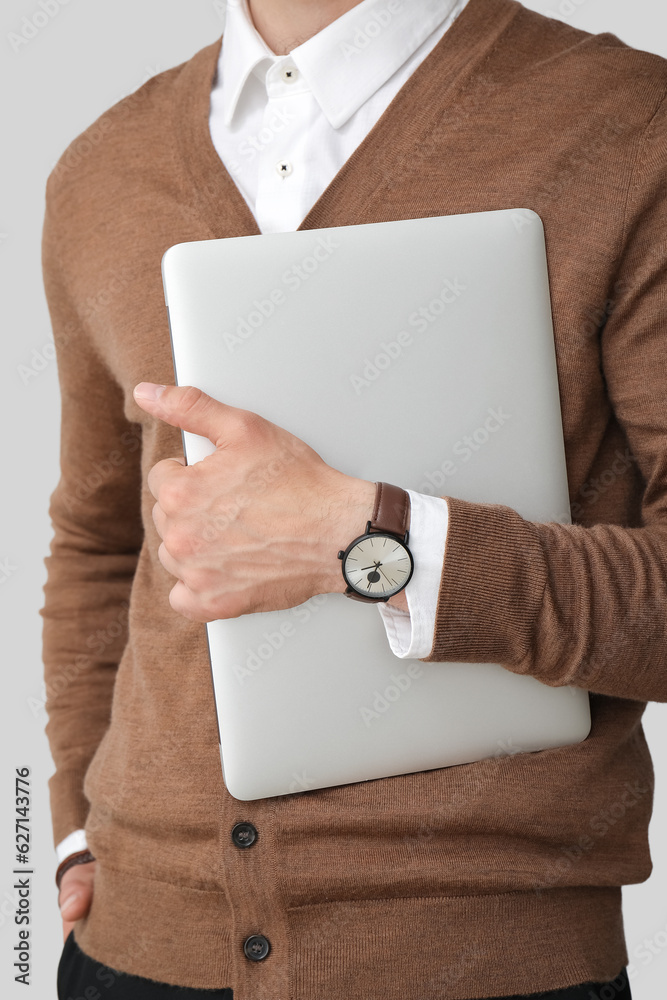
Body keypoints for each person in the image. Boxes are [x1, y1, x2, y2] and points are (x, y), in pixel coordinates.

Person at [43, 0, 667, 997]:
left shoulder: (630, 126)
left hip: (480, 961)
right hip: (133, 949)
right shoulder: (100, 169)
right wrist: (72, 817)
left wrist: (368, 537)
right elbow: (99, 539)